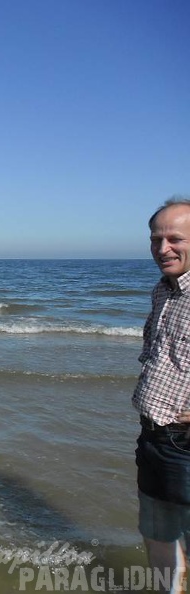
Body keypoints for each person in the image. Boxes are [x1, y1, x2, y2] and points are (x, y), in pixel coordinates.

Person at [133, 197, 190, 593]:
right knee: (157, 535)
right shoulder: (163, 290)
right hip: (152, 436)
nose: (163, 248)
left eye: (175, 238)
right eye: (156, 239)